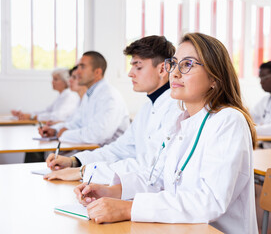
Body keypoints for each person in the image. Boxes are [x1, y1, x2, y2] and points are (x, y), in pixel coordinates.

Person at [73, 33, 258, 234]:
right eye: (174, 64)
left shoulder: (228, 121)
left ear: (214, 77)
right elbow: (158, 179)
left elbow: (209, 201)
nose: (175, 73)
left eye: (187, 64)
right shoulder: (180, 121)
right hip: (177, 227)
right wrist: (111, 191)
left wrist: (129, 208)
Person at [43, 36, 179, 183]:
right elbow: (120, 149)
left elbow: (149, 167)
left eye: (138, 66)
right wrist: (75, 161)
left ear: (162, 69)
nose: (130, 73)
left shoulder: (175, 109)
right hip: (128, 179)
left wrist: (84, 172)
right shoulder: (147, 108)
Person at [39, 51, 130, 146]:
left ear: (97, 72)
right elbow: (77, 123)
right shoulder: (89, 94)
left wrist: (63, 134)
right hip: (92, 150)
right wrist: (55, 130)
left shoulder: (109, 97)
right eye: (78, 67)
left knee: (55, 157)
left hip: (110, 156)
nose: (77, 71)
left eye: (82, 67)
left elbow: (97, 135)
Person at [11, 68, 79, 122]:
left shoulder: (70, 96)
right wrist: (26, 114)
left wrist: (32, 117)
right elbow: (46, 111)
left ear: (65, 81)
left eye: (55, 79)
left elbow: (58, 117)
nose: (52, 82)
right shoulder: (62, 95)